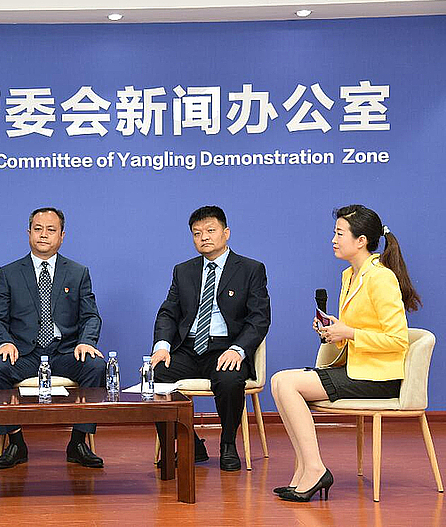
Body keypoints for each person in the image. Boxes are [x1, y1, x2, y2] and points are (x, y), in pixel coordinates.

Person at [271, 204, 420, 502]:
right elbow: (357, 331)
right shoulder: (349, 275)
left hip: (379, 378)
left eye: (340, 233)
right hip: (356, 368)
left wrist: (349, 333)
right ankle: (304, 470)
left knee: (287, 384)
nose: (333, 240)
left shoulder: (381, 278)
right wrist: (334, 331)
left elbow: (397, 340)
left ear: (361, 240)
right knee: (278, 381)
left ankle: (315, 470)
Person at [152, 206, 270, 471]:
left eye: (210, 230)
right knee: (157, 374)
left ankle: (228, 444)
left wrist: (238, 349)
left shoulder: (250, 269)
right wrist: (162, 346)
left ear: (226, 233)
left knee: (229, 379)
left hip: (226, 348)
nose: (203, 237)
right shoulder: (183, 271)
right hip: (189, 347)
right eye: (196, 233)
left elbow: (259, 318)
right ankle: (187, 443)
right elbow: (168, 313)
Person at [0, 207, 105, 469]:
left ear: (62, 236)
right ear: (28, 233)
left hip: (65, 352)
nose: (43, 235)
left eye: (51, 230)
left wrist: (86, 341)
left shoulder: (78, 272)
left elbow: (91, 316)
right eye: (38, 229)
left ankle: (78, 442)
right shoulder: (9, 273)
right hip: (24, 354)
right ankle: (16, 442)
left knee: (96, 365)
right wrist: (5, 342)